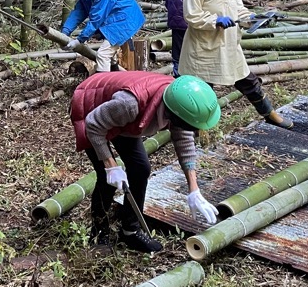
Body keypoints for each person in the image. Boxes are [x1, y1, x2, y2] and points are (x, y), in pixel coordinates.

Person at [70, 72, 223, 253]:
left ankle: (130, 231)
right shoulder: (129, 105)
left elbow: (184, 142)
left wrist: (194, 189)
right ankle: (99, 230)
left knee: (140, 169)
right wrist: (111, 165)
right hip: (91, 106)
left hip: (121, 118)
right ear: (172, 115)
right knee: (106, 178)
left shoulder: (178, 104)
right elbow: (93, 125)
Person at [179, 0, 293, 129]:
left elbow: (238, 9)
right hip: (204, 48)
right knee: (202, 92)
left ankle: (269, 113)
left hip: (230, 45)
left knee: (248, 81)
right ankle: (198, 130)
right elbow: (191, 16)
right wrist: (215, 20)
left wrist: (252, 18)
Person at [61, 0, 145, 73]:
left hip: (125, 19)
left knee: (103, 55)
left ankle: (103, 88)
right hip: (115, 18)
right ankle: (116, 79)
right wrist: (65, 32)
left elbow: (96, 19)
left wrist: (79, 40)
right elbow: (79, 12)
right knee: (110, 58)